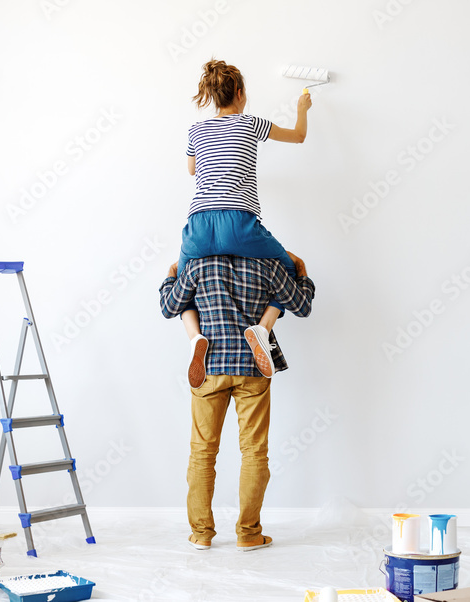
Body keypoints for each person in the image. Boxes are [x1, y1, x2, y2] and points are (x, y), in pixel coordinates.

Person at [159, 254, 315, 551]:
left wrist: (171, 274)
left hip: (209, 367)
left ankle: (201, 533)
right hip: (252, 367)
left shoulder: (197, 264)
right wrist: (302, 271)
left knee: (202, 452)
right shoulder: (267, 262)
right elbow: (302, 305)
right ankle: (248, 533)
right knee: (254, 452)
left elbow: (169, 307)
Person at [178, 58, 313, 388]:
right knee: (291, 272)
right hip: (239, 224)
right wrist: (302, 107)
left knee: (181, 284)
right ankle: (262, 329)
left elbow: (192, 170)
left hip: (197, 227)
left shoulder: (196, 130)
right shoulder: (251, 123)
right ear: (239, 93)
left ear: (212, 94)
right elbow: (298, 137)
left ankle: (196, 337)